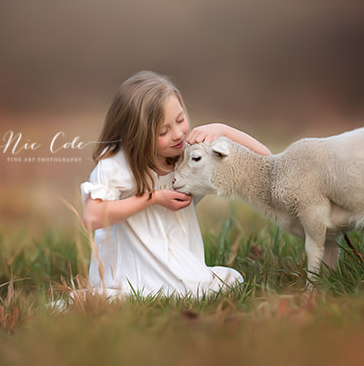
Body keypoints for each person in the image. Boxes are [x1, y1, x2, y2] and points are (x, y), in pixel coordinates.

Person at [78, 71, 271, 299]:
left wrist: (223, 129)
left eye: (180, 120)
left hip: (179, 263)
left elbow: (265, 161)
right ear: (137, 136)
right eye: (163, 131)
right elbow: (92, 217)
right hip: (129, 271)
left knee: (229, 281)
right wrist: (154, 198)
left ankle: (181, 284)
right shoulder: (118, 165)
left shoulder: (188, 156)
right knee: (195, 289)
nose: (178, 134)